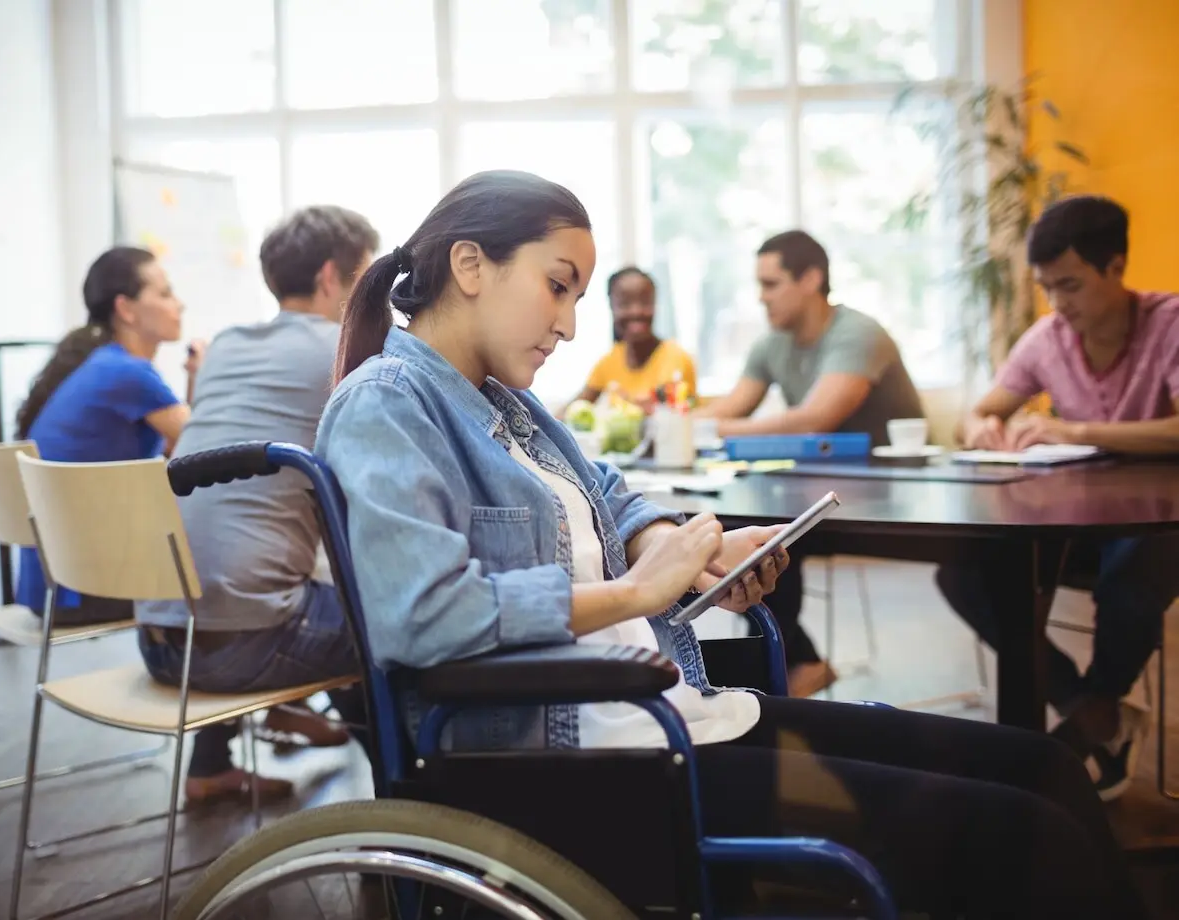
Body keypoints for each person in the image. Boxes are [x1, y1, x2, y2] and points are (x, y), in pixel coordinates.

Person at [312, 169, 1145, 919]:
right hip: (586, 762)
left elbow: (609, 495)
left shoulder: (507, 406)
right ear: (469, 267)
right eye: (558, 288)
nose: (569, 325)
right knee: (1027, 832)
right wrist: (639, 594)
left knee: (1043, 769)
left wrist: (688, 550)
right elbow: (421, 617)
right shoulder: (387, 403)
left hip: (660, 721)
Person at [136, 206, 381, 806]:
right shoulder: (348, 347)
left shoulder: (224, 345)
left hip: (160, 640)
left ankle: (211, 765)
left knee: (247, 569)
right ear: (332, 277)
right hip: (241, 649)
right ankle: (406, 799)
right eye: (369, 277)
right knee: (397, 619)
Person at [937, 194, 1179, 801]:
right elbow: (981, 410)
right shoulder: (1049, 336)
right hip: (1078, 522)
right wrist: (982, 429)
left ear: (1116, 266)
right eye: (1047, 288)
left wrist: (1076, 431)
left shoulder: (1169, 323)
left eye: (1070, 285)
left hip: (1155, 525)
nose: (1058, 303)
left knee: (1136, 565)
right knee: (963, 572)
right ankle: (1094, 713)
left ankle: (1093, 710)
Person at [702, 230, 925, 698]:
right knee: (748, 530)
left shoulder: (857, 334)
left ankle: (787, 667)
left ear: (811, 279)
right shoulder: (772, 344)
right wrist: (672, 423)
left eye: (771, 284)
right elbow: (730, 409)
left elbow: (815, 419)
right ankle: (792, 664)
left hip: (892, 500)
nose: (761, 298)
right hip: (815, 493)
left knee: (764, 532)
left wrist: (713, 430)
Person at [14, 246, 203, 626]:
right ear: (126, 309)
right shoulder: (127, 374)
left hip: (54, 587)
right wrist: (202, 373)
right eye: (165, 294)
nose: (179, 305)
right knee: (230, 571)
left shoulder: (106, 365)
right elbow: (206, 445)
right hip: (84, 590)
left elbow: (182, 446)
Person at [568, 267, 696, 410]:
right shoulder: (609, 362)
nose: (636, 311)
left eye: (645, 302)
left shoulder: (676, 358)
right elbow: (571, 409)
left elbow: (672, 410)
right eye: (625, 303)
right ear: (612, 306)